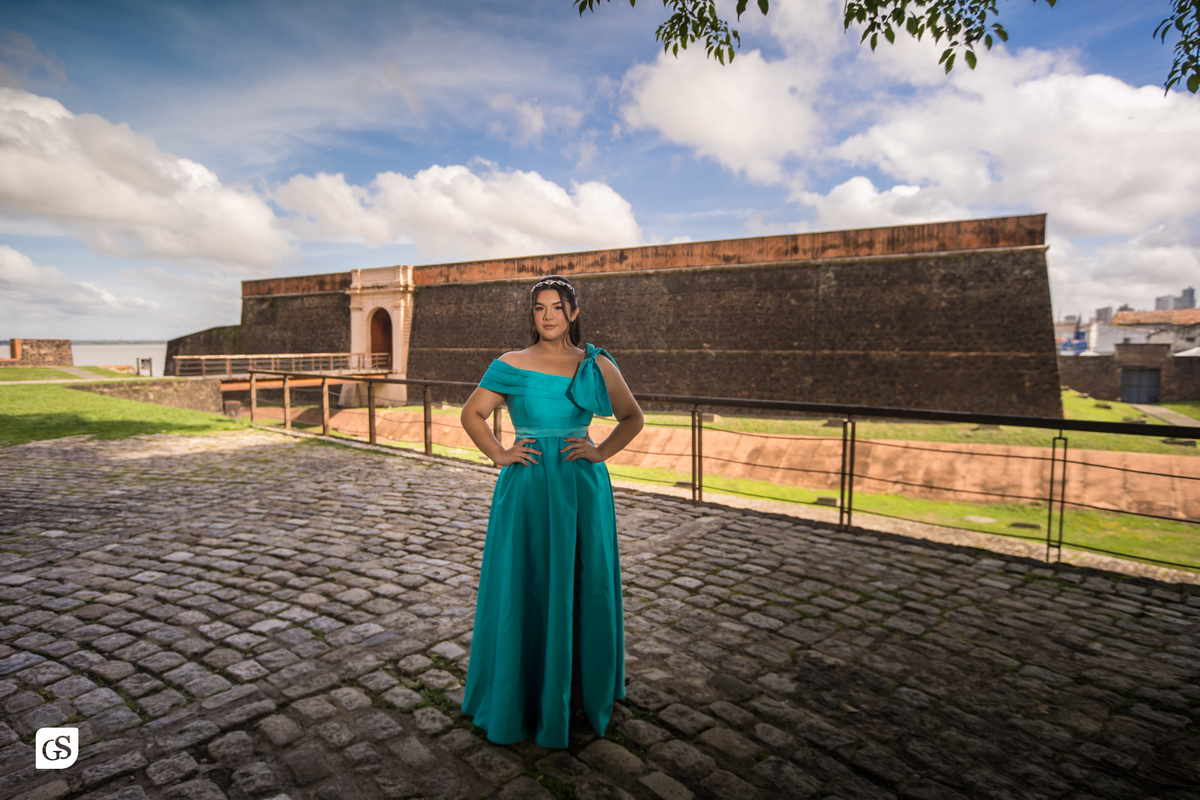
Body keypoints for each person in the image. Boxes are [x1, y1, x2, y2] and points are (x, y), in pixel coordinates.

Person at [458, 275, 644, 749]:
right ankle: (521, 692)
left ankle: (579, 689)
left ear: (573, 313)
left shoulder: (595, 364)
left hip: (580, 487)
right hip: (525, 487)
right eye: (540, 307)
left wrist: (599, 451)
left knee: (585, 581)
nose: (548, 315)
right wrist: (500, 454)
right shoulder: (509, 364)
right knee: (527, 581)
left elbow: (633, 417)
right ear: (532, 314)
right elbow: (472, 414)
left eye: (557, 307)